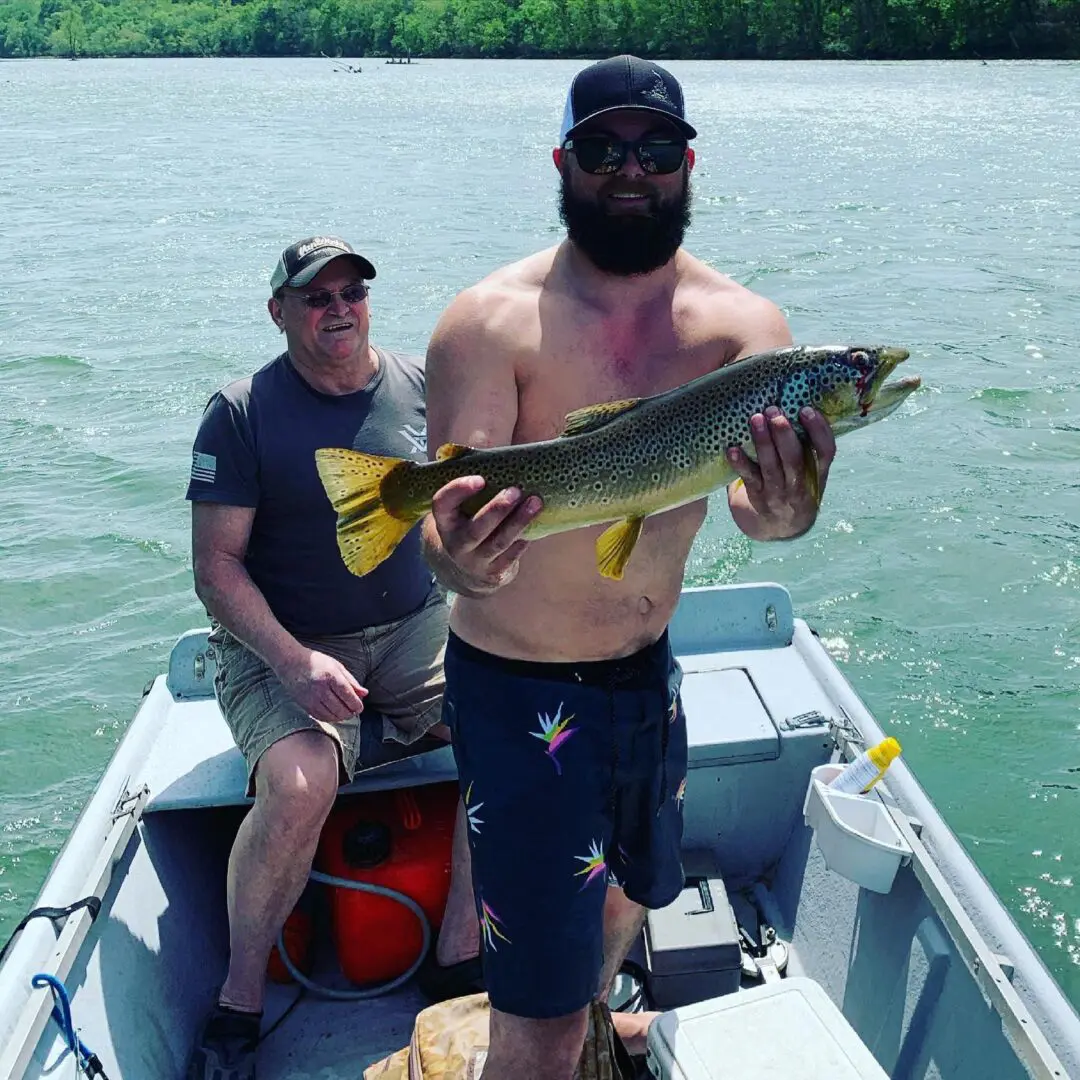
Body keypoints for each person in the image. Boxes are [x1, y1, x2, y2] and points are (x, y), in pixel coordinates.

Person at [420, 56, 837, 1079]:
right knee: (540, 1017)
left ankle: (593, 1023)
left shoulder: (745, 333)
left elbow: (757, 514)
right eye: (603, 148)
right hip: (520, 696)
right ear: (564, 162)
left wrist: (788, 511)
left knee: (629, 896)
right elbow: (443, 526)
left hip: (647, 678)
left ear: (688, 162)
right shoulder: (488, 321)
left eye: (654, 148)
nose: (630, 168)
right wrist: (461, 560)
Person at [184, 236, 477, 1080]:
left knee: (508, 729)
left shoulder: (426, 389)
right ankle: (242, 997)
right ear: (279, 313)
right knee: (302, 781)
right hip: (278, 640)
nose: (339, 308)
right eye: (316, 297)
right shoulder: (239, 412)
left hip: (416, 626)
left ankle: (458, 957)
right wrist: (291, 660)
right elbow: (216, 570)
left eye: (353, 291)